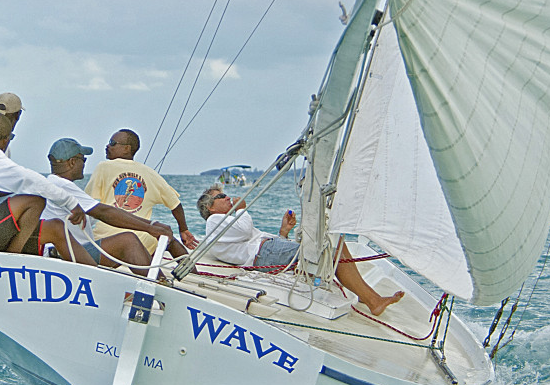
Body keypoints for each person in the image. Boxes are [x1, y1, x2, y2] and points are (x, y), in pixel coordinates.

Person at [196, 188, 404, 316]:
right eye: (221, 196)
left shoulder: (224, 223)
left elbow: (247, 241)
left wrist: (283, 233)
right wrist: (241, 207)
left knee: (335, 243)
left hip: (267, 251)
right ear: (210, 208)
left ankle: (370, 298)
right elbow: (246, 230)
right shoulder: (214, 221)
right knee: (329, 249)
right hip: (264, 253)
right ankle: (373, 300)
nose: (228, 198)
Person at [0, 114, 92, 263]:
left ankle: (93, 275)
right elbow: (30, 180)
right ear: (6, 139)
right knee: (36, 200)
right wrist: (71, 203)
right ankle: (11, 261)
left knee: (56, 228)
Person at [44, 138, 189, 273]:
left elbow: (98, 212)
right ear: (72, 162)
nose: (84, 164)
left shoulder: (52, 184)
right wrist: (149, 227)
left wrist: (151, 225)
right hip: (68, 253)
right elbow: (103, 212)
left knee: (131, 242)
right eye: (83, 159)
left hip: (67, 250)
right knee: (128, 241)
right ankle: (159, 291)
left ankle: (158, 284)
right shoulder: (62, 186)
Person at [85, 128, 198, 250]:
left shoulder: (103, 167)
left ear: (126, 148)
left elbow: (87, 202)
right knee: (168, 239)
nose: (107, 146)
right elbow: (175, 204)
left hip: (107, 239)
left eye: (112, 143)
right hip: (142, 241)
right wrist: (183, 229)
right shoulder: (150, 173)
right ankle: (189, 268)